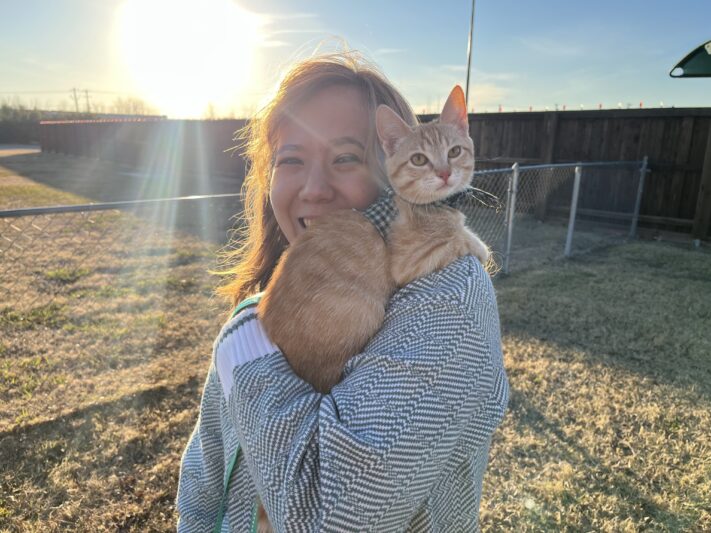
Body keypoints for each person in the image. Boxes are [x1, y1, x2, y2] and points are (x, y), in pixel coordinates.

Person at [176, 51, 509, 532]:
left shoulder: (451, 296)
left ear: (391, 163)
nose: (313, 188)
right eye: (290, 159)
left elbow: (328, 518)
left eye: (346, 157)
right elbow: (204, 484)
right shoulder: (269, 301)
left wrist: (243, 344)